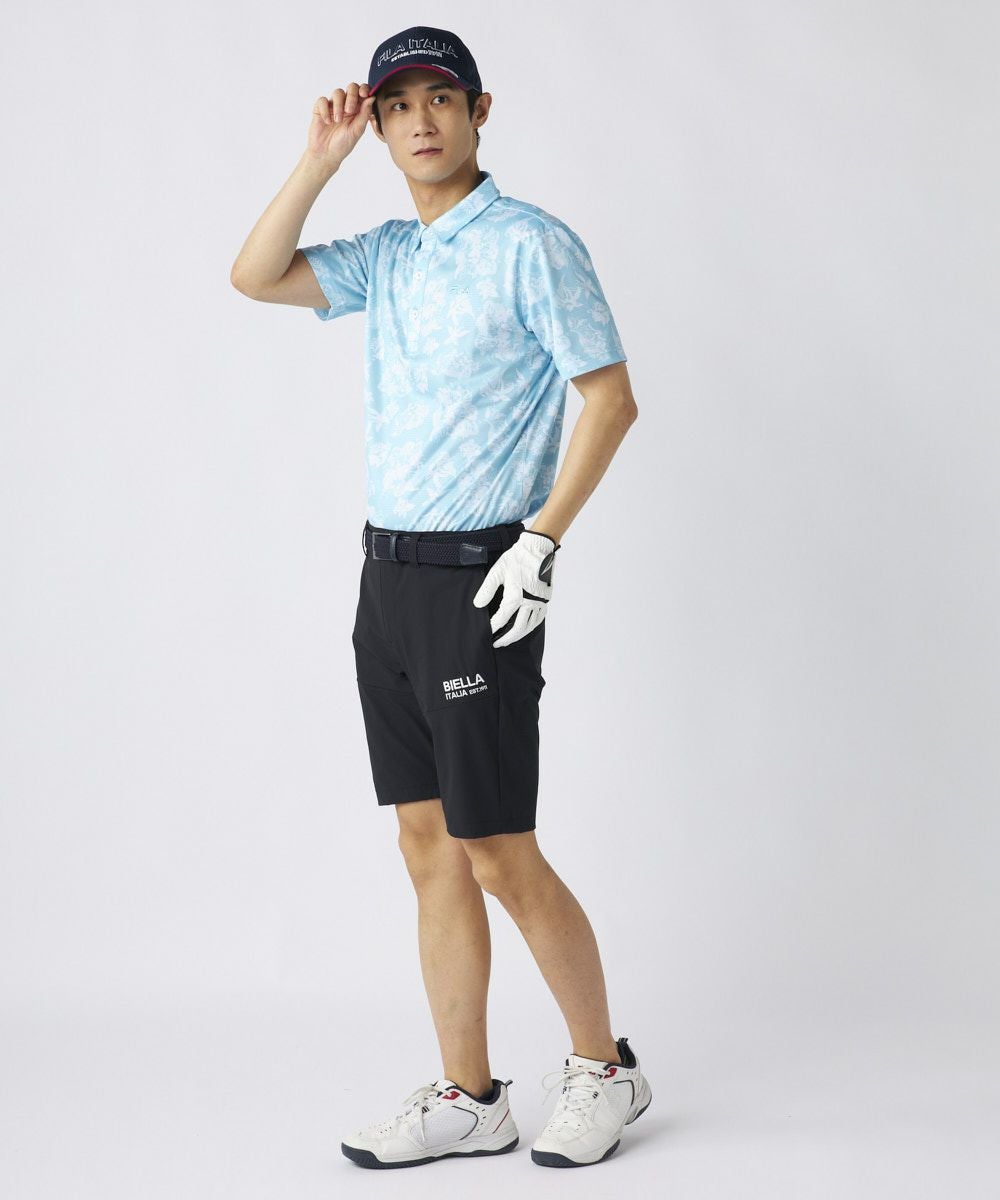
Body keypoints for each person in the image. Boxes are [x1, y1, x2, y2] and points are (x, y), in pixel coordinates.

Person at [230, 24, 651, 1170]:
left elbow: (609, 398)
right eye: (397, 104)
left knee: (497, 845)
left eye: (440, 98)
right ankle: (471, 1096)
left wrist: (542, 540)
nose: (420, 120)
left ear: (478, 111)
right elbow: (254, 274)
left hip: (481, 576)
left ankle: (605, 1069)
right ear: (378, 124)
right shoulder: (387, 255)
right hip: (388, 580)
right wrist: (318, 159)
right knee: (426, 844)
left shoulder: (530, 244)